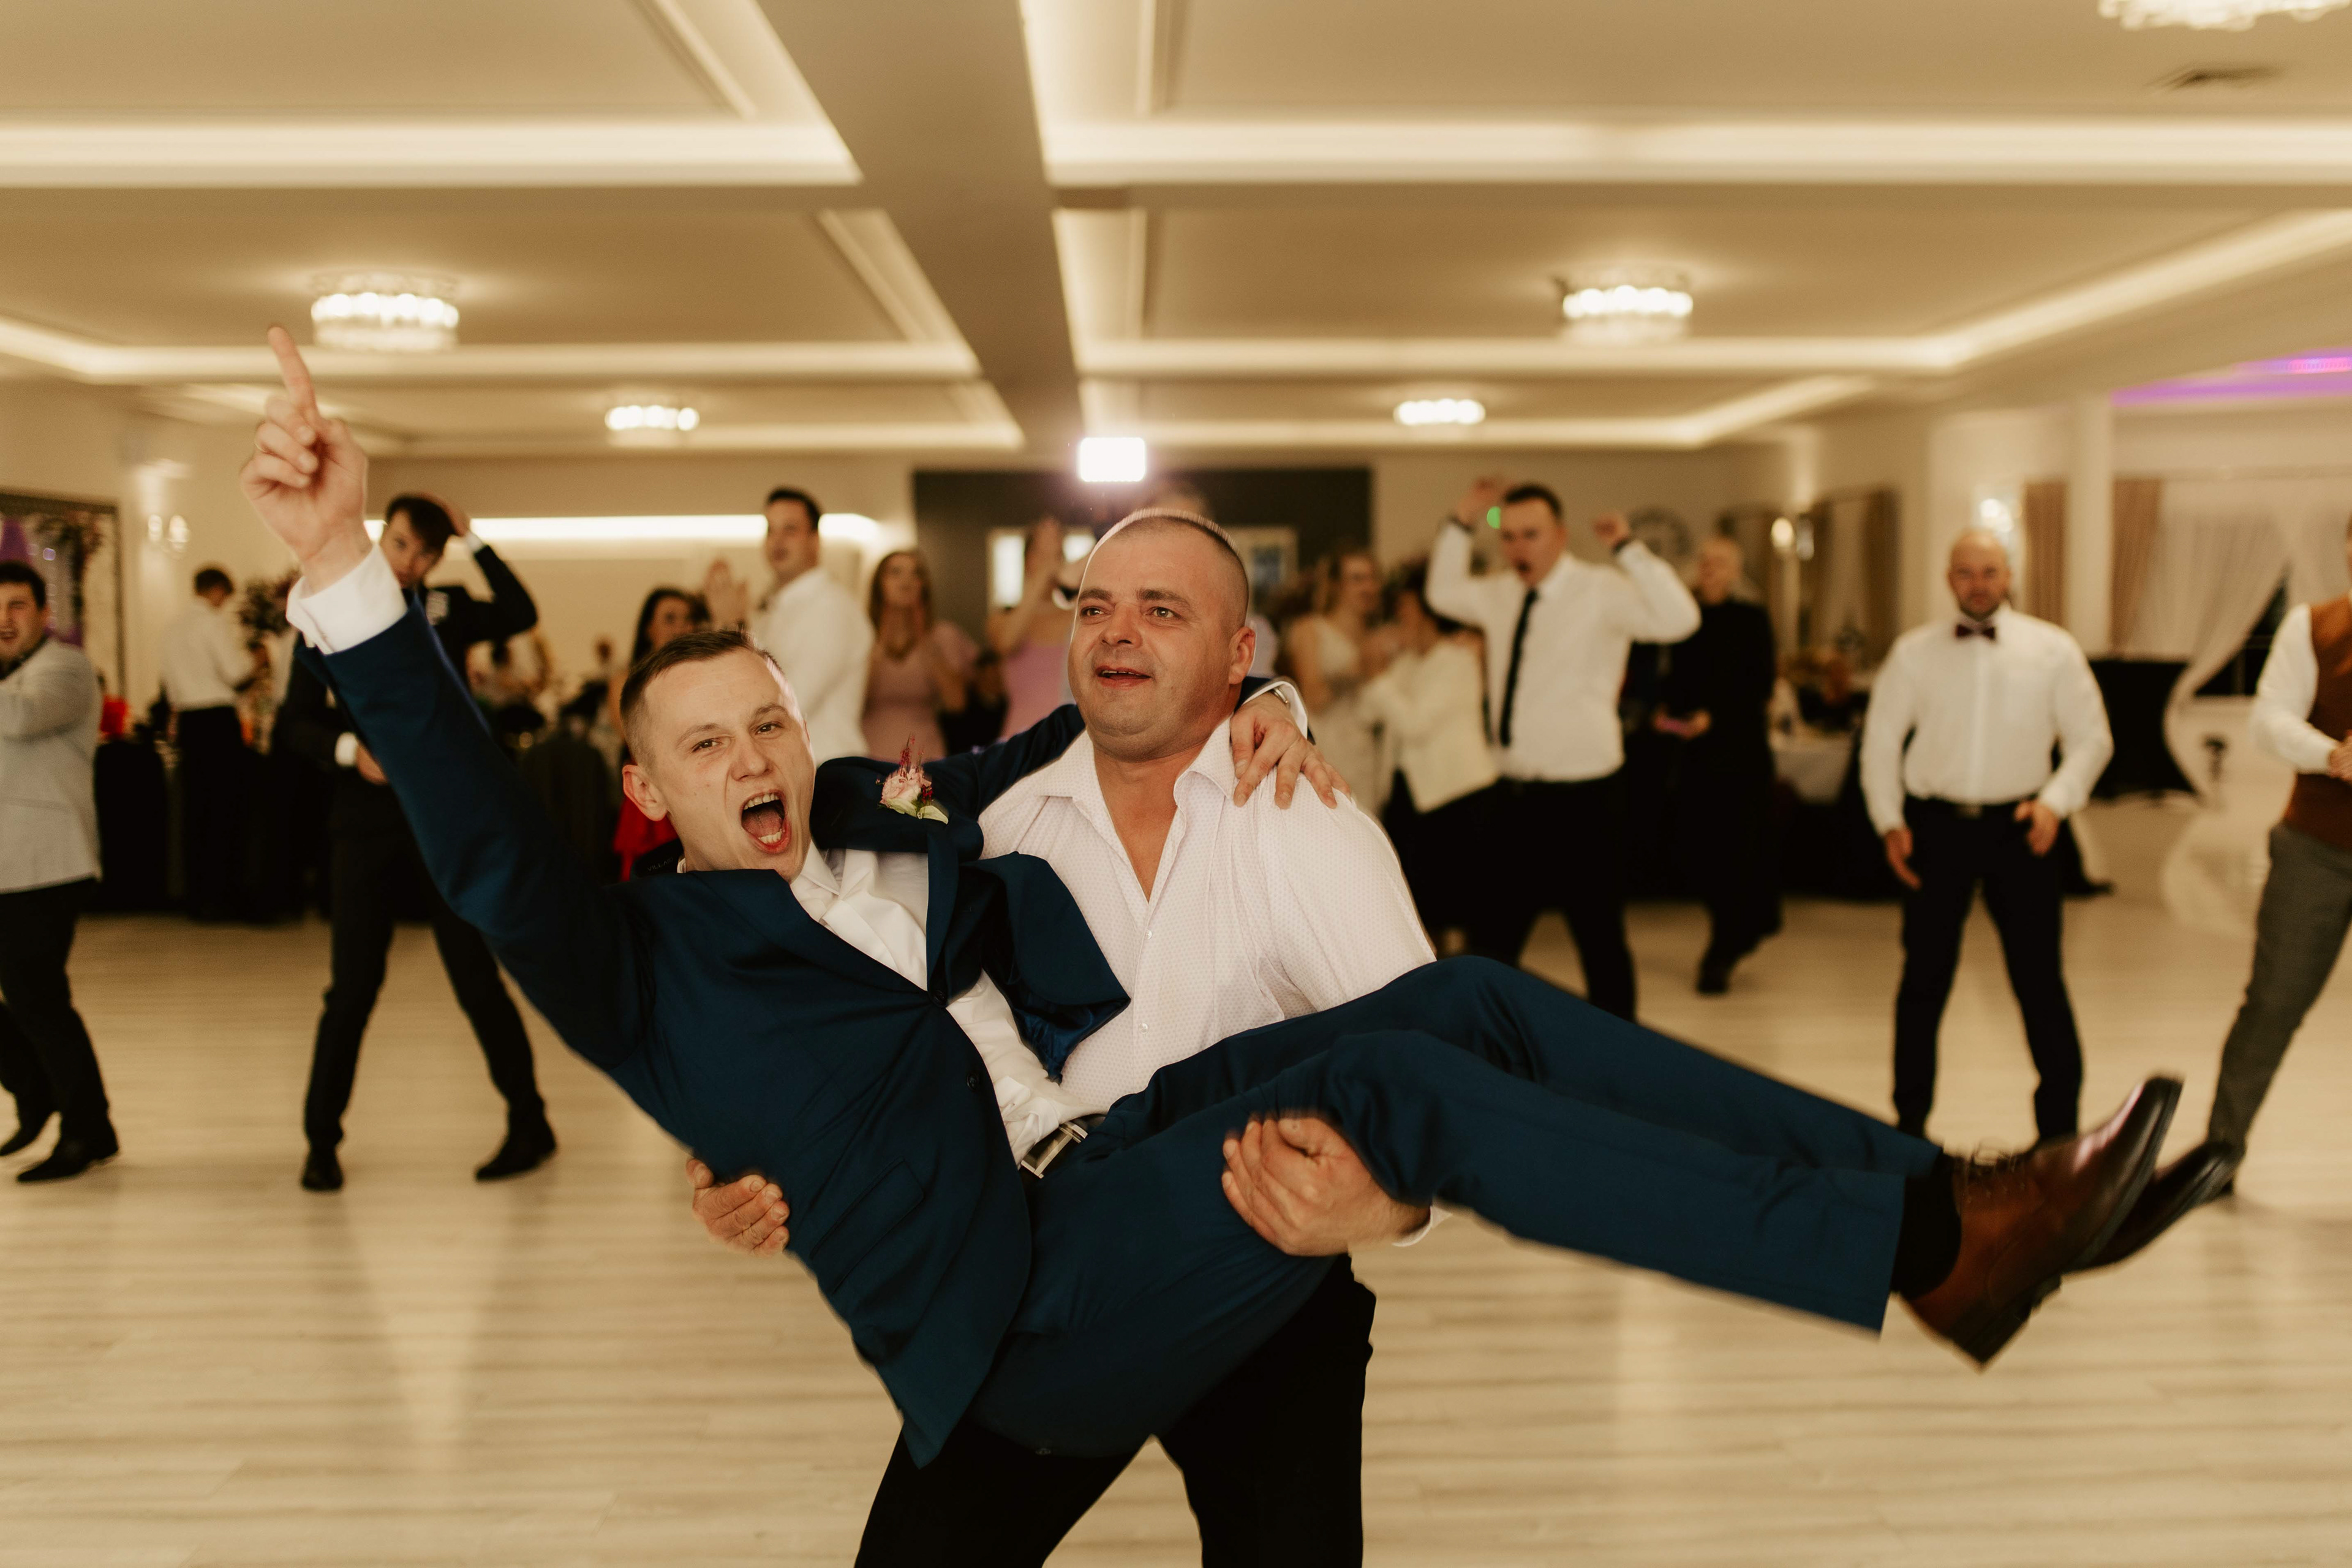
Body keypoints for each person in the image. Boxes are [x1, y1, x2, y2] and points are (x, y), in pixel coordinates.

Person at [244, 329, 2196, 1555]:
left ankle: (1941, 1211)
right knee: (1406, 1075)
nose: (758, 756)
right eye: (708, 744)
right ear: (646, 789)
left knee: (1459, 1006)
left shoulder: (900, 807)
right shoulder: (632, 954)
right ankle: (1923, 1255)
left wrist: (1266, 704)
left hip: (1137, 1176)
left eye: (770, 719)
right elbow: (478, 836)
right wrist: (343, 571)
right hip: (1023, 1302)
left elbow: (1095, 714)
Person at [707, 505, 1417, 1565]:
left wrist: (1387, 1201)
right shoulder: (991, 820)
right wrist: (740, 1155)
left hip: (1259, 1275)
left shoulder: (1306, 826)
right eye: (1095, 608)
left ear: (1239, 654)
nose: (1117, 631)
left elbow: (1439, 1070)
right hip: (1045, 1269)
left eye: (1161, 610)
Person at [273, 489, 554, 1193]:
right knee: (352, 987)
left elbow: (520, 612)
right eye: (400, 544)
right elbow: (293, 725)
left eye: (425, 552)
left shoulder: (445, 607)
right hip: (365, 825)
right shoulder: (331, 614)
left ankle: (530, 1121)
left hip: (445, 822)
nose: (409, 561)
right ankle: (320, 1141)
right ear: (381, 537)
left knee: (475, 979)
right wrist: (350, 752)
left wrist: (475, 538)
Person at [1861, 530, 2113, 1144]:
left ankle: (2059, 1139)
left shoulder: (2053, 649)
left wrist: (2055, 802)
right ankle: (1909, 1129)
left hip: (2020, 830)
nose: (1979, 583)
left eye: (1990, 571)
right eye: (1966, 572)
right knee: (1923, 982)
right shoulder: (1913, 653)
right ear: (1949, 579)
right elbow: (1881, 742)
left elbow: (2092, 739)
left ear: (2009, 576)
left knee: (2039, 981)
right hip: (1935, 828)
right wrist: (1890, 820)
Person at [1426, 480, 1700, 1019]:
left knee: (1600, 938)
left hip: (1586, 797)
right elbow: (1442, 593)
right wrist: (1462, 521)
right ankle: (1484, 1050)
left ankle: (1617, 1054)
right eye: (1510, 537)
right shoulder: (1500, 592)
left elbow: (1681, 619)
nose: (1518, 548)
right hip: (1514, 796)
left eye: (1531, 535)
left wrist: (1630, 550)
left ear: (1560, 535)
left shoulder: (1601, 590)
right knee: (1492, 941)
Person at [2180, 514, 2352, 1207]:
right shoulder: (2312, 626)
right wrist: (2332, 755)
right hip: (2316, 848)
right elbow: (2268, 720)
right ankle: (2219, 1157)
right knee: (2273, 1003)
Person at [0, 560, 117, 1183]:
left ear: (45, 614)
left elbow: (20, 718)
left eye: (17, 606)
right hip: (5, 866)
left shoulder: (67, 667)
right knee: (32, 997)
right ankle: (35, 1088)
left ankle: (85, 1128)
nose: (4, 619)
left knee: (39, 998)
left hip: (48, 863)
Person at [1657, 535, 1782, 995]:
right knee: (1698, 849)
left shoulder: (1752, 619)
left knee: (1737, 850)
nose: (1709, 568)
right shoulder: (1682, 617)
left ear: (1735, 571)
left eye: (1720, 562)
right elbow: (1673, 679)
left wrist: (1715, 716)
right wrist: (1667, 713)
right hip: (1696, 754)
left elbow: (1759, 684)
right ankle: (1732, 935)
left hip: (1741, 752)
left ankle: (1723, 949)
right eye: (1705, 561)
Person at [1359, 560, 1494, 942]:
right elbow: (1368, 711)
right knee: (1415, 898)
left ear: (1428, 612)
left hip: (1455, 792)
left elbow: (1414, 724)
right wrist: (1381, 675)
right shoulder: (1407, 663)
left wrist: (1379, 679)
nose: (1399, 617)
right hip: (1413, 793)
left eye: (1405, 608)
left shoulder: (1458, 661)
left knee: (1458, 902)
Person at [706, 488, 872, 763]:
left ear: (815, 541)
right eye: (771, 530)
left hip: (827, 768)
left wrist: (734, 627)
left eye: (790, 529)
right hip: (790, 767)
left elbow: (788, 700)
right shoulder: (774, 606)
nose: (777, 541)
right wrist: (729, 626)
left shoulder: (832, 606)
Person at [160, 564, 263, 919]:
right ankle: (222, 895)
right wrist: (258, 660)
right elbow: (235, 672)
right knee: (224, 809)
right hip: (217, 722)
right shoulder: (213, 624)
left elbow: (169, 686)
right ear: (218, 590)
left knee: (196, 809)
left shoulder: (172, 629)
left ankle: (197, 896)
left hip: (188, 722)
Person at [612, 587, 709, 876]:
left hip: (698, 785)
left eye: (688, 619)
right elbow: (632, 737)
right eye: (670, 618)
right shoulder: (625, 679)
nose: (682, 627)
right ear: (649, 628)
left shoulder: (703, 677)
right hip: (653, 787)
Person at [1286, 549, 1389, 808]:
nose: (1368, 587)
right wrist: (1358, 668)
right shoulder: (1310, 629)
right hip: (1327, 748)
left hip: (1368, 752)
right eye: (1357, 579)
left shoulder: (1379, 635)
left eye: (1372, 578)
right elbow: (1314, 698)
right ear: (1336, 586)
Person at [862, 549, 976, 764]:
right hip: (869, 757)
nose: (906, 580)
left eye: (915, 574)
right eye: (896, 572)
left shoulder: (943, 636)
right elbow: (854, 700)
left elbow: (956, 703)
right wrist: (880, 642)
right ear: (879, 585)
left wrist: (925, 641)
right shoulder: (860, 637)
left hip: (927, 758)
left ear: (923, 586)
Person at [990, 514, 1078, 739]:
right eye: (1040, 553)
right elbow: (1006, 642)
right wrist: (1044, 571)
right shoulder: (1002, 618)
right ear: (1027, 559)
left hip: (1067, 737)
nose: (1049, 560)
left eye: (1056, 554)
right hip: (1020, 738)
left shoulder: (1075, 616)